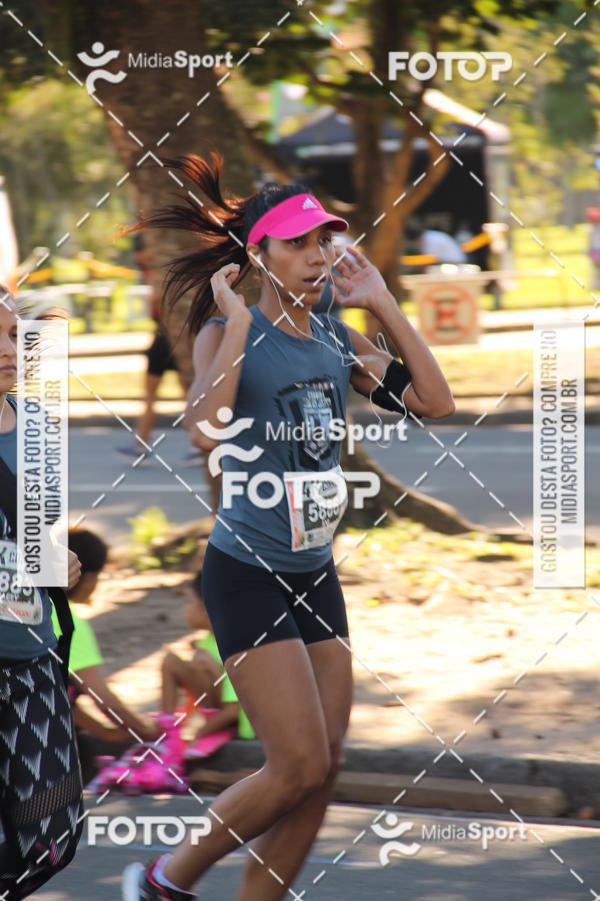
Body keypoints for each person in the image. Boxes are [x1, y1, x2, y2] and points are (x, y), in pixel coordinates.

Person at [121, 152, 454, 900]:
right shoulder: (224, 331)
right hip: (247, 572)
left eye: (323, 240)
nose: (316, 254)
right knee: (296, 762)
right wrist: (242, 322)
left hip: (314, 572)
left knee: (323, 768)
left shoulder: (336, 339)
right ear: (259, 254)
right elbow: (205, 430)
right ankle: (164, 881)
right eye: (298, 243)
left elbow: (435, 403)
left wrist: (382, 303)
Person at [0, 287, 84, 898]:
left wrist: (62, 563)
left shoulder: (36, 423)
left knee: (54, 835)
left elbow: (42, 534)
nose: (10, 350)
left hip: (32, 659)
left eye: (12, 335)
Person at [51, 528, 160, 782]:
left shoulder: (37, 610)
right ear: (87, 577)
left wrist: (107, 733)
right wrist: (147, 730)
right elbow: (104, 699)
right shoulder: (69, 623)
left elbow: (57, 694)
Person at [160, 571, 255, 751]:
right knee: (171, 662)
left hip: (238, 721)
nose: (184, 610)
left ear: (206, 609)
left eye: (189, 602)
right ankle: (168, 732)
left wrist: (197, 734)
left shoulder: (235, 646)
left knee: (200, 660)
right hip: (217, 708)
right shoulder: (208, 641)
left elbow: (232, 711)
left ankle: (174, 739)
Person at [117, 234, 187, 460]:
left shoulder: (158, 270)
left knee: (154, 392)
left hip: (165, 336)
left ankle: (141, 443)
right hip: (171, 335)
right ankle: (142, 442)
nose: (137, 258)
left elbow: (158, 302)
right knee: (187, 392)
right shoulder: (160, 268)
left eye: (139, 252)